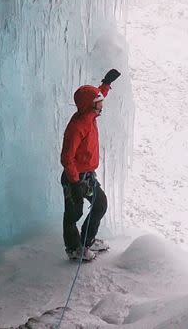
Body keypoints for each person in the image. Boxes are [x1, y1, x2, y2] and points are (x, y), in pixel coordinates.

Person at [61, 67, 122, 261]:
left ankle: (86, 240)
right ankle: (73, 249)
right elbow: (66, 158)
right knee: (73, 213)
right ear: (90, 105)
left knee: (99, 205)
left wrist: (107, 83)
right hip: (75, 178)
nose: (102, 104)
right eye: (99, 102)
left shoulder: (90, 114)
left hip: (87, 176)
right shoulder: (78, 126)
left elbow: (96, 94)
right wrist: (74, 182)